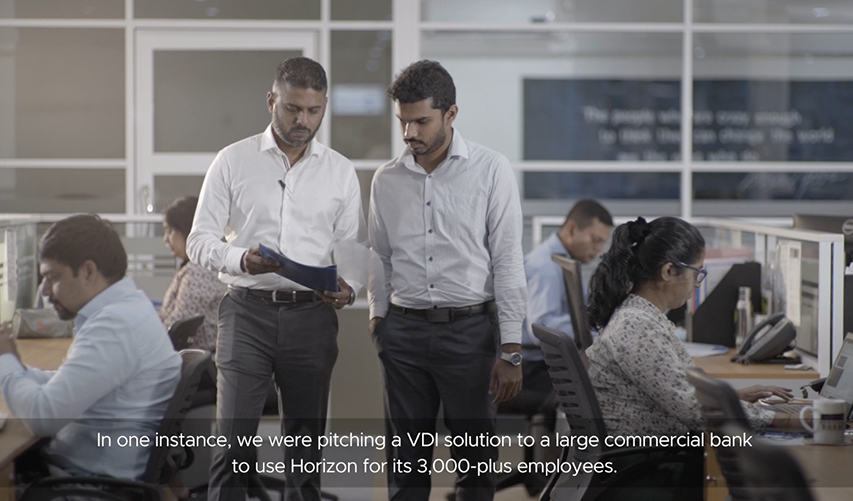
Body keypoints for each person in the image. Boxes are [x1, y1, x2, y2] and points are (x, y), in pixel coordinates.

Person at [186, 56, 365, 501]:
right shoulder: (233, 160)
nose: (303, 120)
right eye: (292, 108)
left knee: (305, 455)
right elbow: (198, 240)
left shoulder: (340, 171)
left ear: (324, 107)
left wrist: (350, 288)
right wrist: (239, 259)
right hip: (246, 314)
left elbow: (352, 249)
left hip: (312, 317)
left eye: (313, 111)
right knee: (233, 446)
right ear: (271, 101)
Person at [368, 60, 528, 501]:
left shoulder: (490, 170)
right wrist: (378, 317)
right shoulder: (386, 180)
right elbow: (379, 255)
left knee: (475, 468)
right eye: (403, 121)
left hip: (470, 334)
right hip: (403, 333)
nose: (409, 133)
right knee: (406, 468)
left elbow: (508, 260)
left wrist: (511, 348)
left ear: (451, 114)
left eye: (421, 121)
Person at [0, 214, 181, 480]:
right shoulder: (130, 309)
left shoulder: (113, 327)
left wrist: (5, 361)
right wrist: (16, 368)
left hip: (83, 483)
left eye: (52, 277)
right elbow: (71, 382)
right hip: (96, 473)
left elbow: (43, 416)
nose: (45, 290)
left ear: (87, 271)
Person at [584, 216, 799, 437]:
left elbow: (676, 392)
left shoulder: (640, 316)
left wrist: (733, 398)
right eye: (696, 273)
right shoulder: (636, 327)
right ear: (668, 271)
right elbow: (695, 412)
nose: (697, 284)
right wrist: (787, 420)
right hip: (653, 453)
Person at [510, 199, 612, 413]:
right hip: (530, 369)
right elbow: (540, 327)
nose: (598, 249)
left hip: (543, 364)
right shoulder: (546, 266)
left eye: (602, 242)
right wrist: (596, 331)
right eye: (595, 240)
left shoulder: (563, 260)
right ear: (572, 229)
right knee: (602, 391)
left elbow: (583, 309)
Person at [160, 195, 226, 352]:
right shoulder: (204, 264)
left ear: (188, 230)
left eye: (170, 231)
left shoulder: (198, 273)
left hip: (195, 359)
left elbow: (175, 327)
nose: (165, 239)